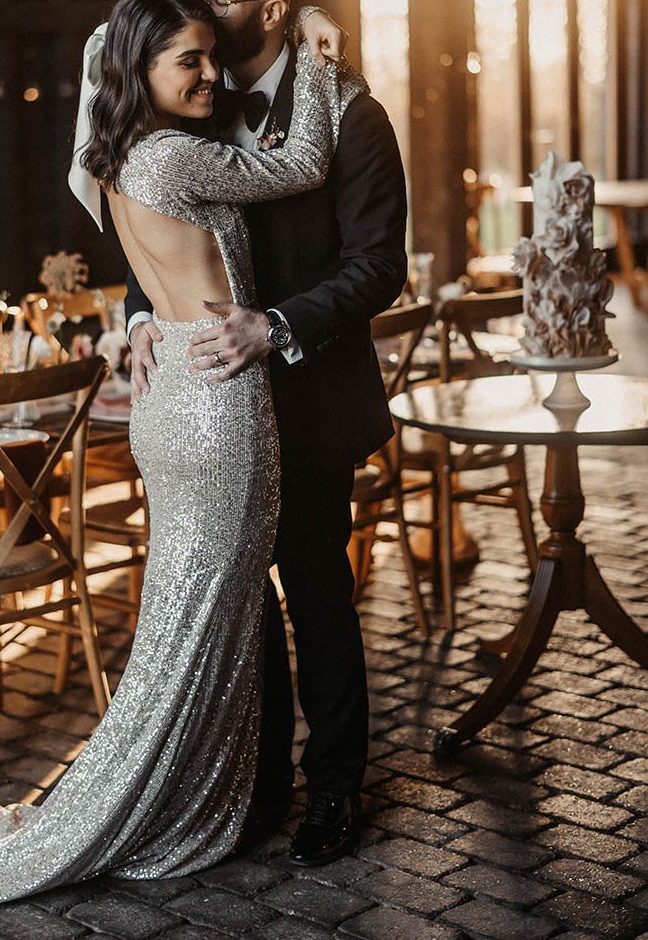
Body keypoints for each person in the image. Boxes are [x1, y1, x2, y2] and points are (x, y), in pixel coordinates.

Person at [0, 0, 362, 904]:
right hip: (218, 408)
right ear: (139, 71)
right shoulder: (175, 152)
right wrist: (317, 54)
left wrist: (142, 320)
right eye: (186, 61)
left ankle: (206, 791)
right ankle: (159, 798)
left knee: (192, 616)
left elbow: (169, 267)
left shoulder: (112, 158)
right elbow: (304, 162)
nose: (207, 76)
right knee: (202, 621)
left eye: (207, 59)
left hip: (172, 400)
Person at [126, 1, 407, 866]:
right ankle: (260, 788)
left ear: (278, 8)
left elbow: (377, 268)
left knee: (318, 596)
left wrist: (274, 324)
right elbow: (157, 217)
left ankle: (333, 789)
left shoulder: (352, 110)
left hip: (310, 398)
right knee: (241, 609)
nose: (209, 5)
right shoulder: (184, 101)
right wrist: (139, 311)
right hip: (217, 409)